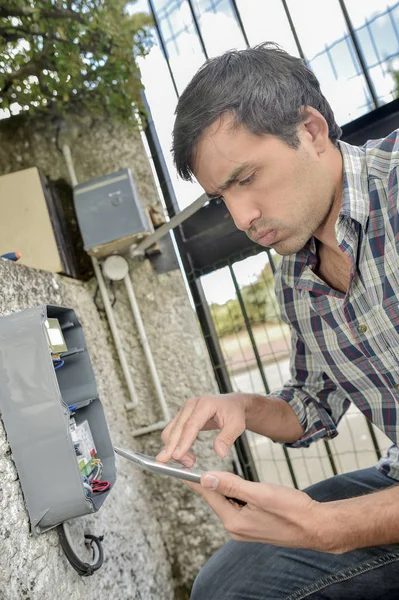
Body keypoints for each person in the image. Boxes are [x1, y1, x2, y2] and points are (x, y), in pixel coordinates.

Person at [156, 42, 399, 599]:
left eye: (246, 179)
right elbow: (312, 405)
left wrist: (331, 526)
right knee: (224, 586)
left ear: (311, 130)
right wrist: (238, 406)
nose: (241, 218)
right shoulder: (297, 275)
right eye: (222, 198)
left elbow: (331, 528)